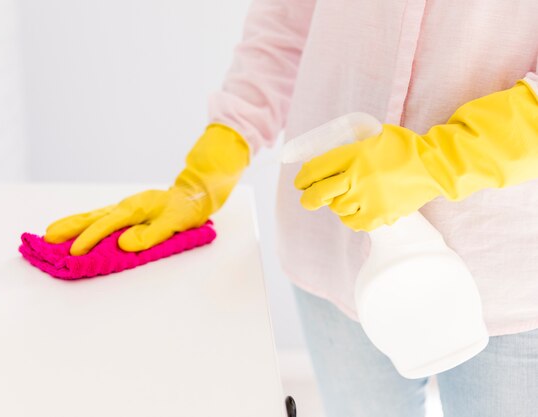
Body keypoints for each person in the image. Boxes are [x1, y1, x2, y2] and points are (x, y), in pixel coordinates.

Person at [44, 1, 538, 415]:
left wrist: (442, 160)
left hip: (509, 264)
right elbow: (287, 21)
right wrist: (217, 158)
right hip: (332, 245)